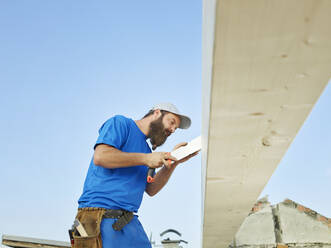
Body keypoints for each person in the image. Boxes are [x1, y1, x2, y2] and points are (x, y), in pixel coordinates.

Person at [73, 103, 198, 248]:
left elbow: (151, 189)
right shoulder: (120, 123)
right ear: (157, 113)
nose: (172, 130)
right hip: (97, 216)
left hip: (129, 221)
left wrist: (172, 164)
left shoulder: (146, 150)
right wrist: (145, 159)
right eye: (172, 122)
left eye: (175, 129)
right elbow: (101, 156)